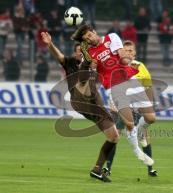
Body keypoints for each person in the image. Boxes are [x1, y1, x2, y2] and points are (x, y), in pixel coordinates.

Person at [71, 24, 156, 166]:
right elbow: (87, 73)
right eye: (86, 39)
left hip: (130, 79)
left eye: (90, 35)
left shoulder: (112, 37)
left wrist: (125, 58)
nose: (90, 39)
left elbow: (122, 57)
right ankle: (137, 152)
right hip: (114, 87)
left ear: (94, 32)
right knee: (129, 123)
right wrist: (91, 67)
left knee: (151, 118)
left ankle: (141, 132)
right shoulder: (90, 54)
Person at [41, 31, 119, 182]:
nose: (80, 53)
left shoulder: (95, 61)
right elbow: (59, 56)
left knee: (113, 136)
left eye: (83, 51)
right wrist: (50, 44)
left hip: (94, 102)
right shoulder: (70, 63)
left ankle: (97, 169)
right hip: (80, 100)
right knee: (84, 77)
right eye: (79, 52)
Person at [103, 40, 158, 177]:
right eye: (126, 50)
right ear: (121, 52)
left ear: (135, 53)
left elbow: (148, 86)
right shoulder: (116, 66)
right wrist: (112, 105)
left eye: (131, 50)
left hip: (138, 105)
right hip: (121, 104)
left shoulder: (140, 66)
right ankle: (107, 168)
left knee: (149, 123)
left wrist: (149, 105)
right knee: (115, 135)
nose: (129, 53)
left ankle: (150, 168)